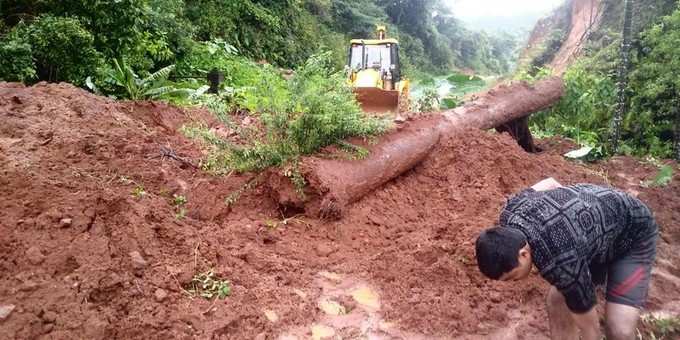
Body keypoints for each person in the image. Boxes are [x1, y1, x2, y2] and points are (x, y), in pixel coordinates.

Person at [475, 178, 658, 340]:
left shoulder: (560, 263)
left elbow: (590, 330)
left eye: (512, 276)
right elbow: (550, 183)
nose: (512, 282)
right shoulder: (510, 212)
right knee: (557, 302)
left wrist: (568, 228)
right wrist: (569, 218)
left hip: (632, 234)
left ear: (524, 253)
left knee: (619, 331)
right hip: (593, 234)